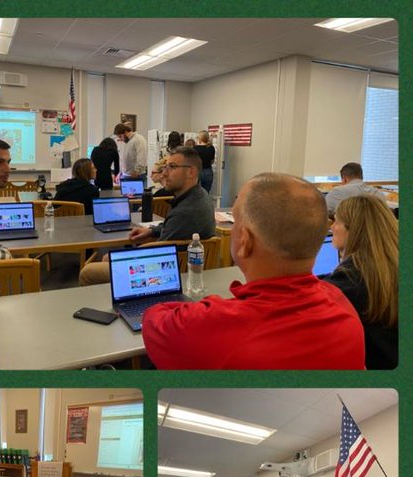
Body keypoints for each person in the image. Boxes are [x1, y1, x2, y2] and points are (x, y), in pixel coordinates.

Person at [141, 173, 366, 369]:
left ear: (245, 241)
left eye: (236, 219)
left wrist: (209, 306)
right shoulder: (342, 304)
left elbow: (152, 319)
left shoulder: (212, 325)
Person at [80, 147, 215, 284]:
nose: (164, 174)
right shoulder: (200, 196)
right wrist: (151, 231)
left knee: (88, 271)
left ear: (191, 172)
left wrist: (120, 257)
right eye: (165, 167)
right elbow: (174, 229)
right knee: (106, 258)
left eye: (172, 167)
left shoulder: (185, 211)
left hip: (163, 273)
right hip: (182, 268)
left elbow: (157, 251)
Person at [327, 193, 398, 369]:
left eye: (336, 221)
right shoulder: (393, 266)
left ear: (353, 230)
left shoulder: (347, 280)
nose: (332, 227)